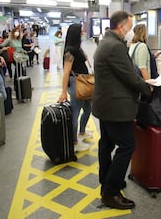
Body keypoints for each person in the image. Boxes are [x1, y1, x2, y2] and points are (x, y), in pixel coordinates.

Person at [93, 11, 152, 210]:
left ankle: (108, 181)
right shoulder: (115, 47)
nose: (131, 30)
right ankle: (110, 192)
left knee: (107, 144)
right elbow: (130, 77)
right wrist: (148, 87)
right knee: (127, 146)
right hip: (116, 108)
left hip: (105, 105)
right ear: (122, 26)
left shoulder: (105, 42)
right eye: (130, 25)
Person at [57, 24, 93, 152]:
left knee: (88, 109)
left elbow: (84, 57)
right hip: (76, 83)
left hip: (84, 82)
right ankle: (74, 142)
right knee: (75, 113)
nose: (83, 32)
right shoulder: (70, 51)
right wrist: (63, 92)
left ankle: (82, 132)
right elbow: (66, 72)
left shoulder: (77, 48)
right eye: (81, 31)